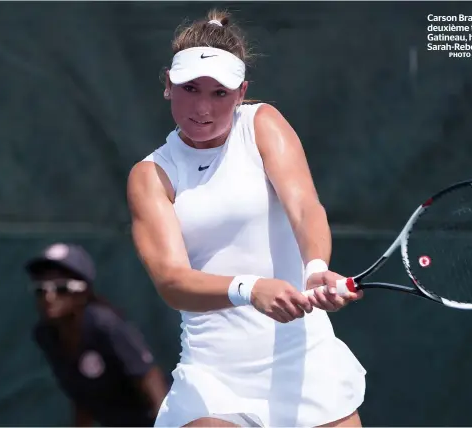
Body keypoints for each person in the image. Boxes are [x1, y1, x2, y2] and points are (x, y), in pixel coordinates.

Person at [127, 9, 367, 428]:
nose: (202, 107)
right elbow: (172, 281)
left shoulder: (262, 124)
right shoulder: (151, 176)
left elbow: (305, 207)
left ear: (241, 93)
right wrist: (249, 289)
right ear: (167, 84)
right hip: (213, 379)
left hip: (306, 363)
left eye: (220, 93)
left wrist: (315, 269)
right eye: (190, 88)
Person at [26, 242, 169, 427]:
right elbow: (80, 395)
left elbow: (150, 378)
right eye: (41, 289)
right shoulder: (45, 335)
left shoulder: (104, 324)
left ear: (83, 292)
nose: (48, 297)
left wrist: (167, 424)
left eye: (61, 288)